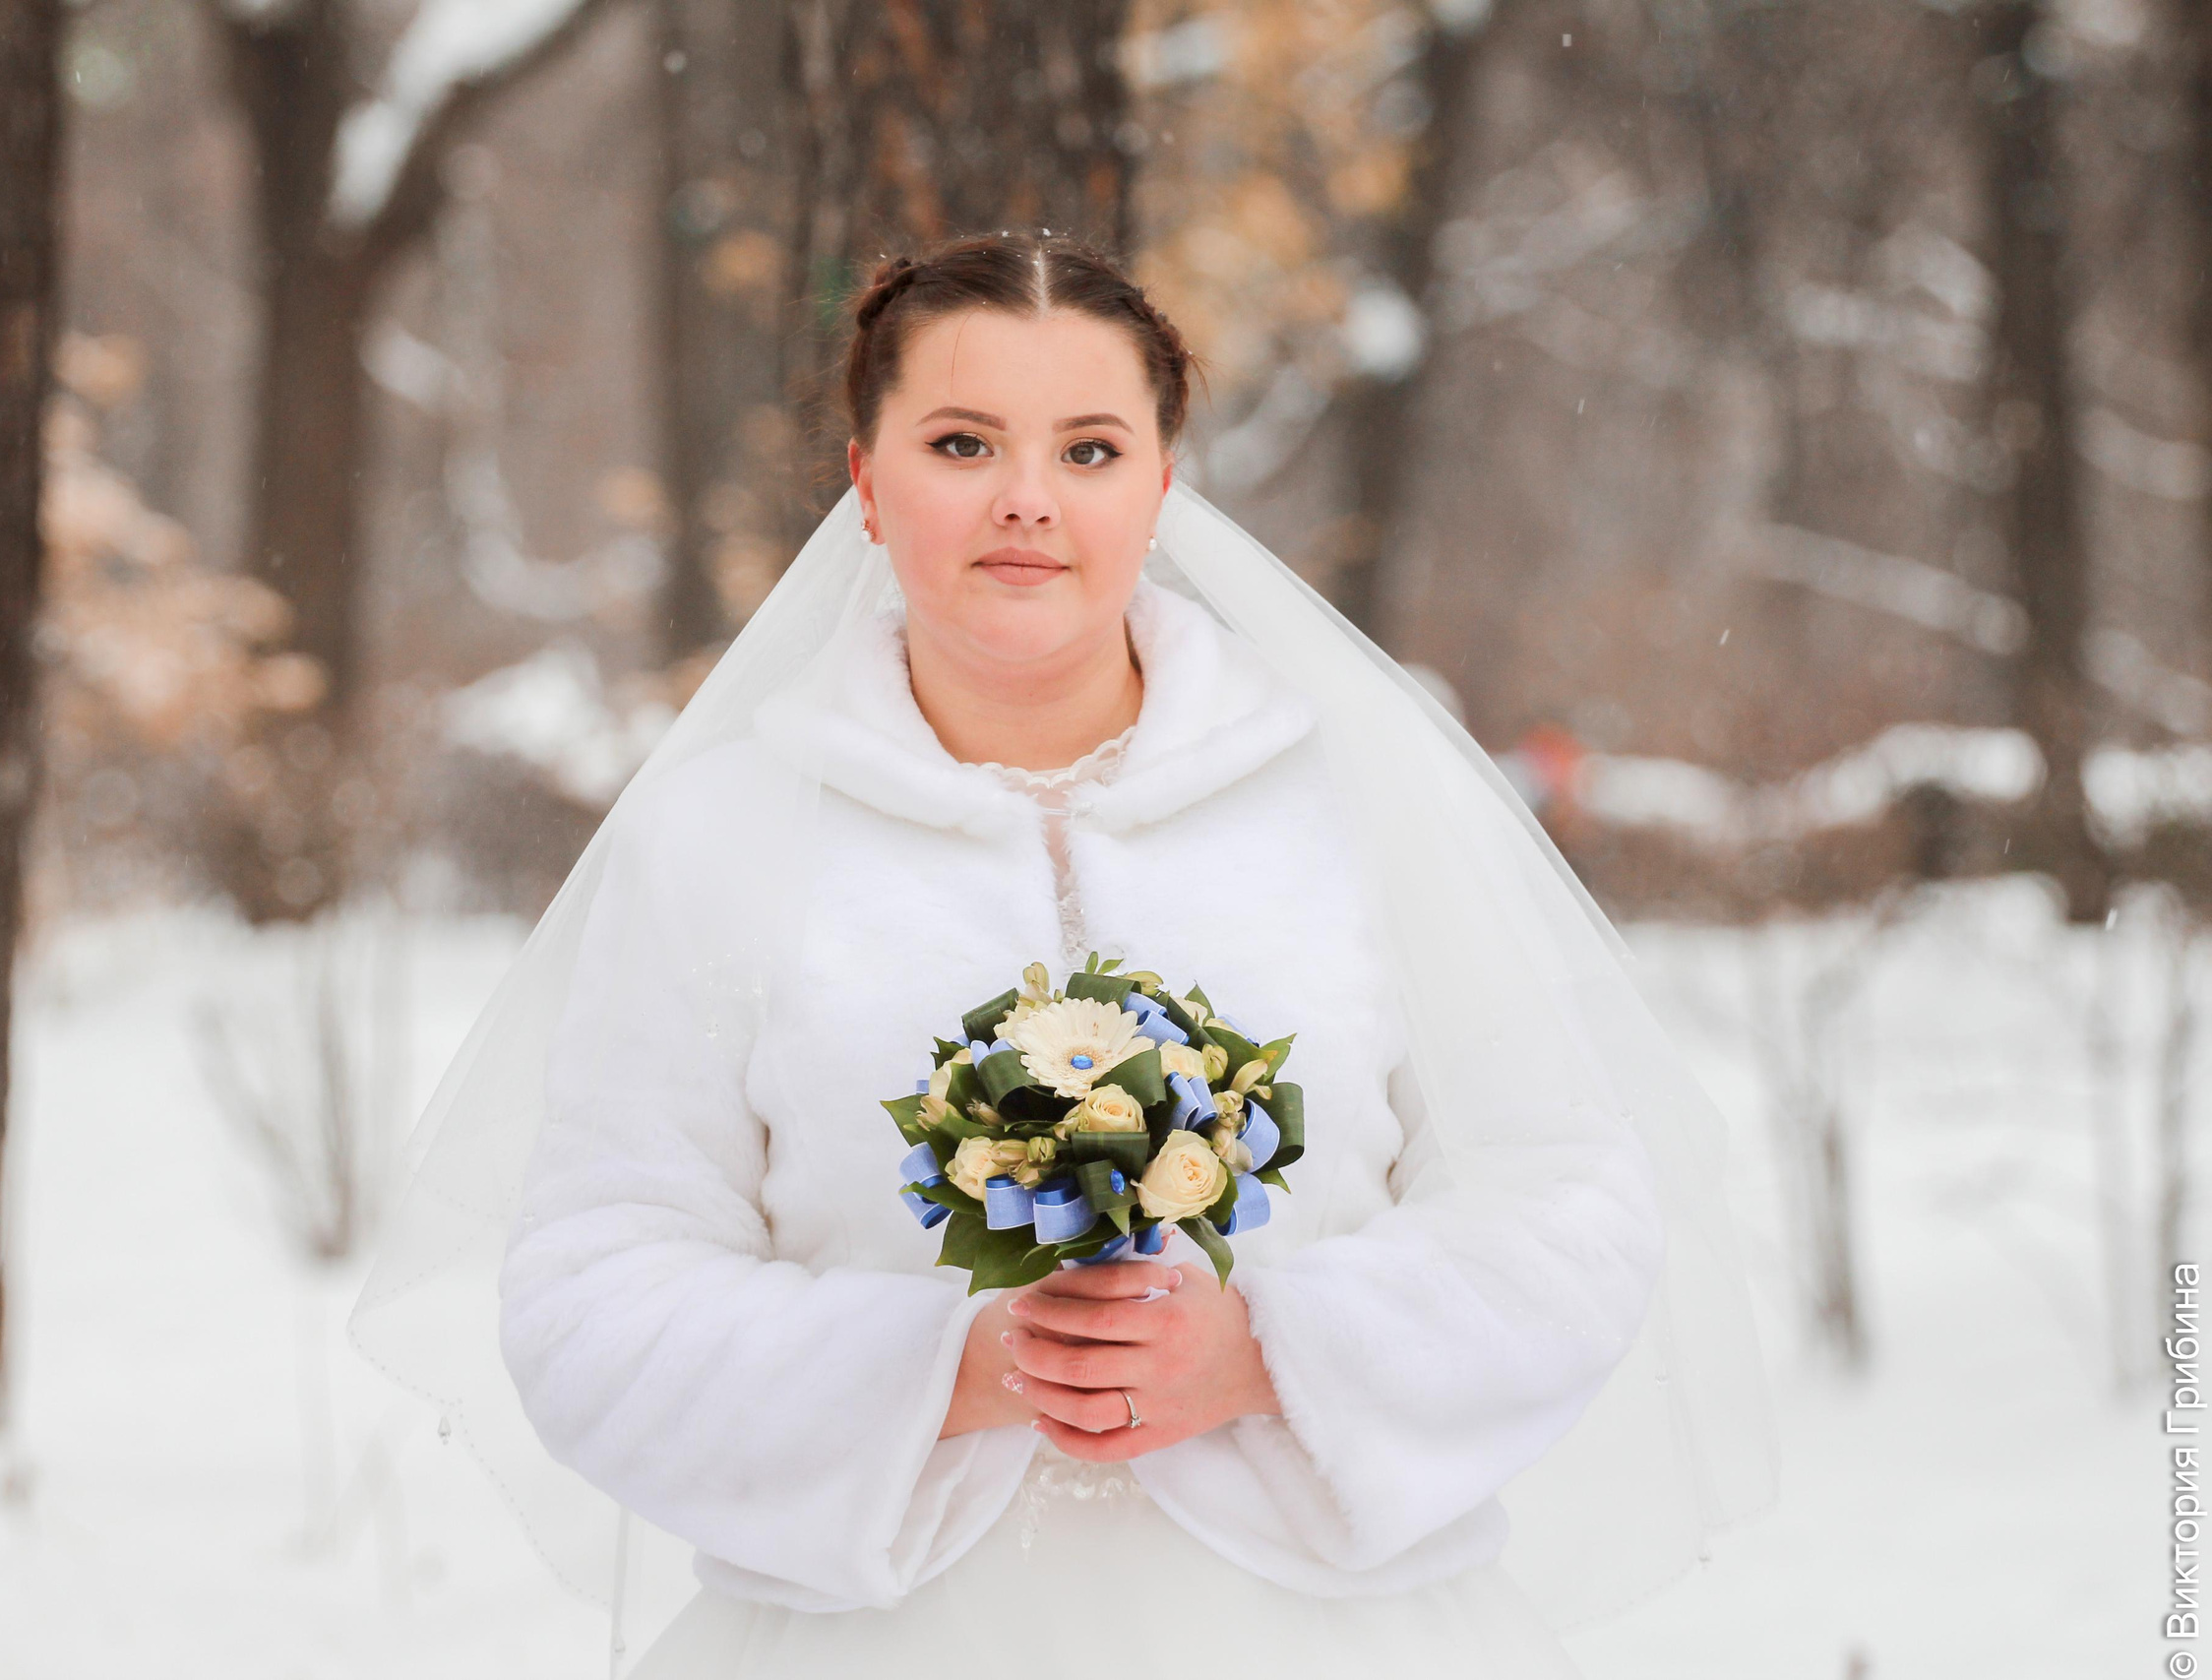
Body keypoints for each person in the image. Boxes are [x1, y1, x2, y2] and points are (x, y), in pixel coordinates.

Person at [356, 230, 1777, 1679]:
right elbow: (594, 1299)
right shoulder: (722, 838)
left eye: (1090, 451)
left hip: (1331, 1632)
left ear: (1163, 484)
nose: (1027, 501)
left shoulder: (1353, 796)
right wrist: (949, 1372)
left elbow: (1570, 1206)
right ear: (865, 480)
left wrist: (1273, 1349)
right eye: (963, 442)